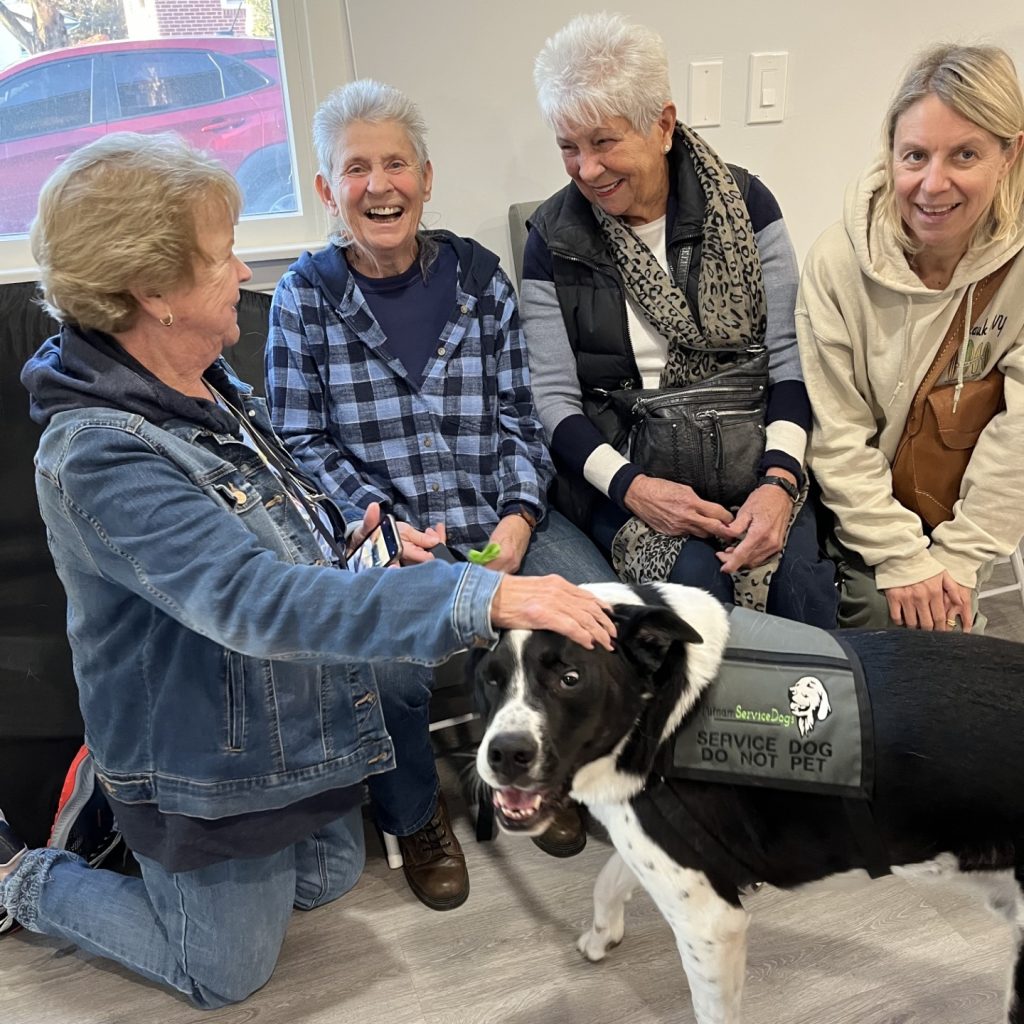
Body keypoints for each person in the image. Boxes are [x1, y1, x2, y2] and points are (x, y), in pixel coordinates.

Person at [0, 132, 615, 1008]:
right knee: (223, 973)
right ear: (156, 294)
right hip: (202, 750)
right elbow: (256, 601)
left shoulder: (204, 382)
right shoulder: (100, 455)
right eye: (220, 257)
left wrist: (355, 538)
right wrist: (480, 594)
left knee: (324, 881)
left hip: (290, 716)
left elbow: (281, 513)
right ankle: (20, 875)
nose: (242, 273)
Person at [266, 79, 617, 904]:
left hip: (497, 516)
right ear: (327, 190)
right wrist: (380, 533)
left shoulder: (479, 278)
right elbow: (297, 444)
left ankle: (537, 779)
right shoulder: (302, 300)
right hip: (389, 540)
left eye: (397, 164)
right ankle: (416, 815)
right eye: (357, 169)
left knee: (588, 607)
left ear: (426, 177)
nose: (379, 185)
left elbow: (521, 416)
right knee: (386, 669)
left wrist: (521, 516)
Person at [519, 13, 837, 627]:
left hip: (757, 458)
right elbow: (553, 401)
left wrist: (777, 483)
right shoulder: (551, 239)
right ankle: (702, 727)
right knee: (694, 594)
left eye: (604, 142)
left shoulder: (748, 205)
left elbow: (789, 362)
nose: (586, 170)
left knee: (801, 591)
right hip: (628, 472)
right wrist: (634, 488)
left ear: (662, 125)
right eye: (568, 147)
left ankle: (801, 727)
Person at [796, 44, 1024, 631]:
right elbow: (837, 434)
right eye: (915, 156)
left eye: (965, 154)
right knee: (881, 622)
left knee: (944, 627)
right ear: (890, 154)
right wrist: (901, 558)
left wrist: (957, 561)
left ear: (1010, 155)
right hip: (854, 506)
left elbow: (1016, 443)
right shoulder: (837, 263)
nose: (932, 184)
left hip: (958, 514)